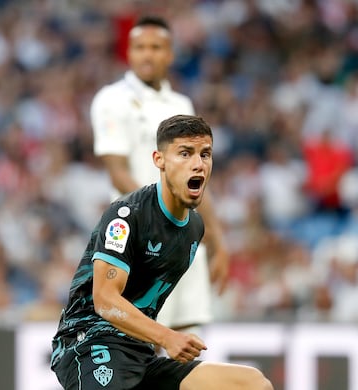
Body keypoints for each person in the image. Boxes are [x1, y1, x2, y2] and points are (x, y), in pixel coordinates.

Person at [51, 114, 273, 390]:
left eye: (205, 154)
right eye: (185, 153)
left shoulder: (194, 228)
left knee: (252, 384)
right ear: (159, 160)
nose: (198, 164)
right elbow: (105, 299)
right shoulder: (126, 216)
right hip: (89, 343)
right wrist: (166, 337)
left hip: (140, 354)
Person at [90, 15, 229, 332]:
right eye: (139, 47)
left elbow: (195, 176)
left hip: (184, 235)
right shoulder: (112, 100)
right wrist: (157, 219)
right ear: (129, 52)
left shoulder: (181, 103)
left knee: (188, 337)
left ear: (170, 54)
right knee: (145, 339)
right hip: (140, 234)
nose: (147, 54)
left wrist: (217, 239)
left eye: (156, 47)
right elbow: (117, 171)